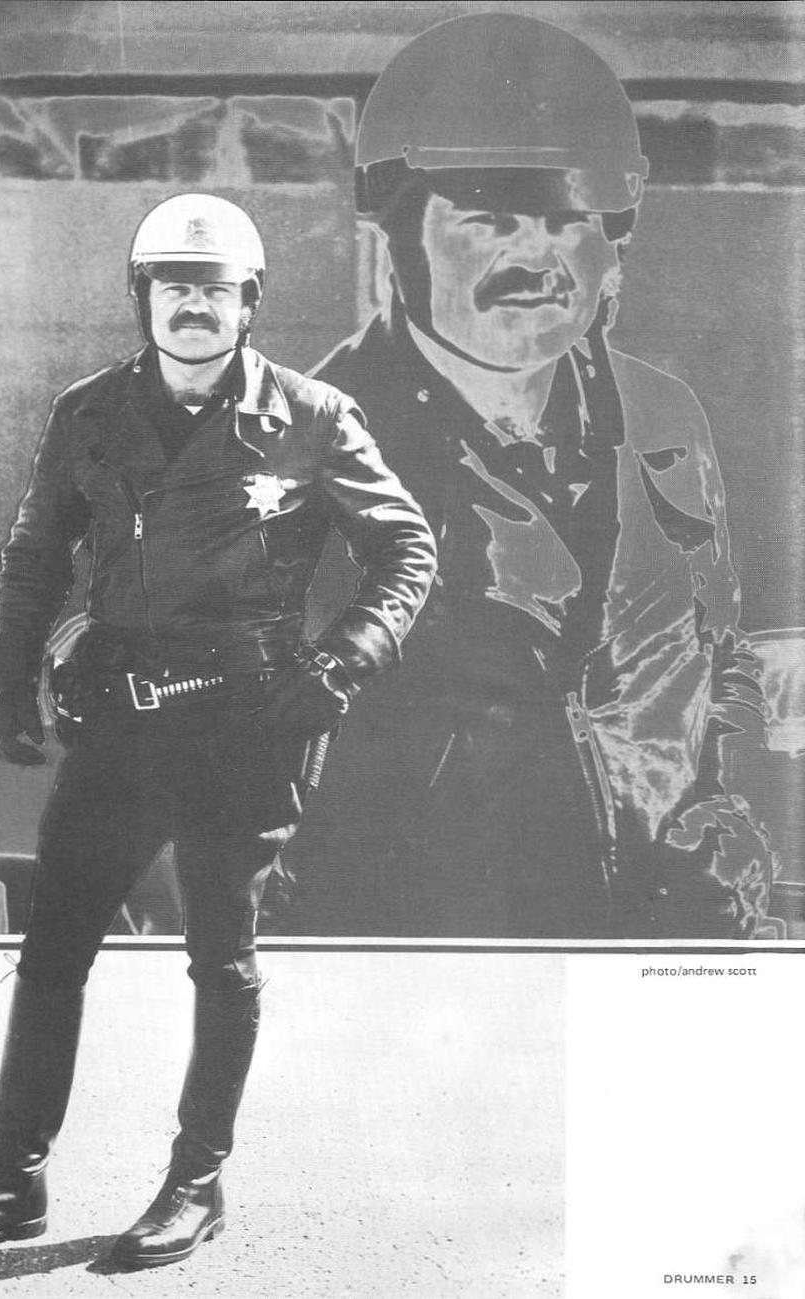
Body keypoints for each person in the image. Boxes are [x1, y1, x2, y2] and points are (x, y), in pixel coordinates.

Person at [0, 193, 435, 1267]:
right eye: (172, 288)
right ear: (141, 298)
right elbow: (34, 553)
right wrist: (7, 679)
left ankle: (196, 1183)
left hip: (250, 722)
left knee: (220, 957)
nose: (193, 307)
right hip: (121, 717)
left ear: (249, 302)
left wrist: (339, 661)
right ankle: (13, 1181)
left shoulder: (313, 415)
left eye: (214, 290)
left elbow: (406, 549)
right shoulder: (89, 412)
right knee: (53, 951)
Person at [294, 12, 775, 940]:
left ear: (612, 243)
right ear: (398, 237)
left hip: (655, 932)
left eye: (567, 222)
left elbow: (722, 652)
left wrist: (731, 804)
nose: (535, 258)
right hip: (431, 955)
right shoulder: (304, 446)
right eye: (489, 220)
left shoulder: (664, 418)